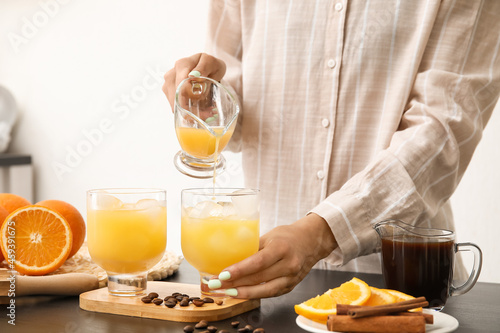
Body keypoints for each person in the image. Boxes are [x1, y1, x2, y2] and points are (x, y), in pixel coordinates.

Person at [164, 0, 500, 299]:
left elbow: (442, 133)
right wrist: (208, 101)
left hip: (399, 286)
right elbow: (235, 109)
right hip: (263, 286)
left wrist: (320, 233)